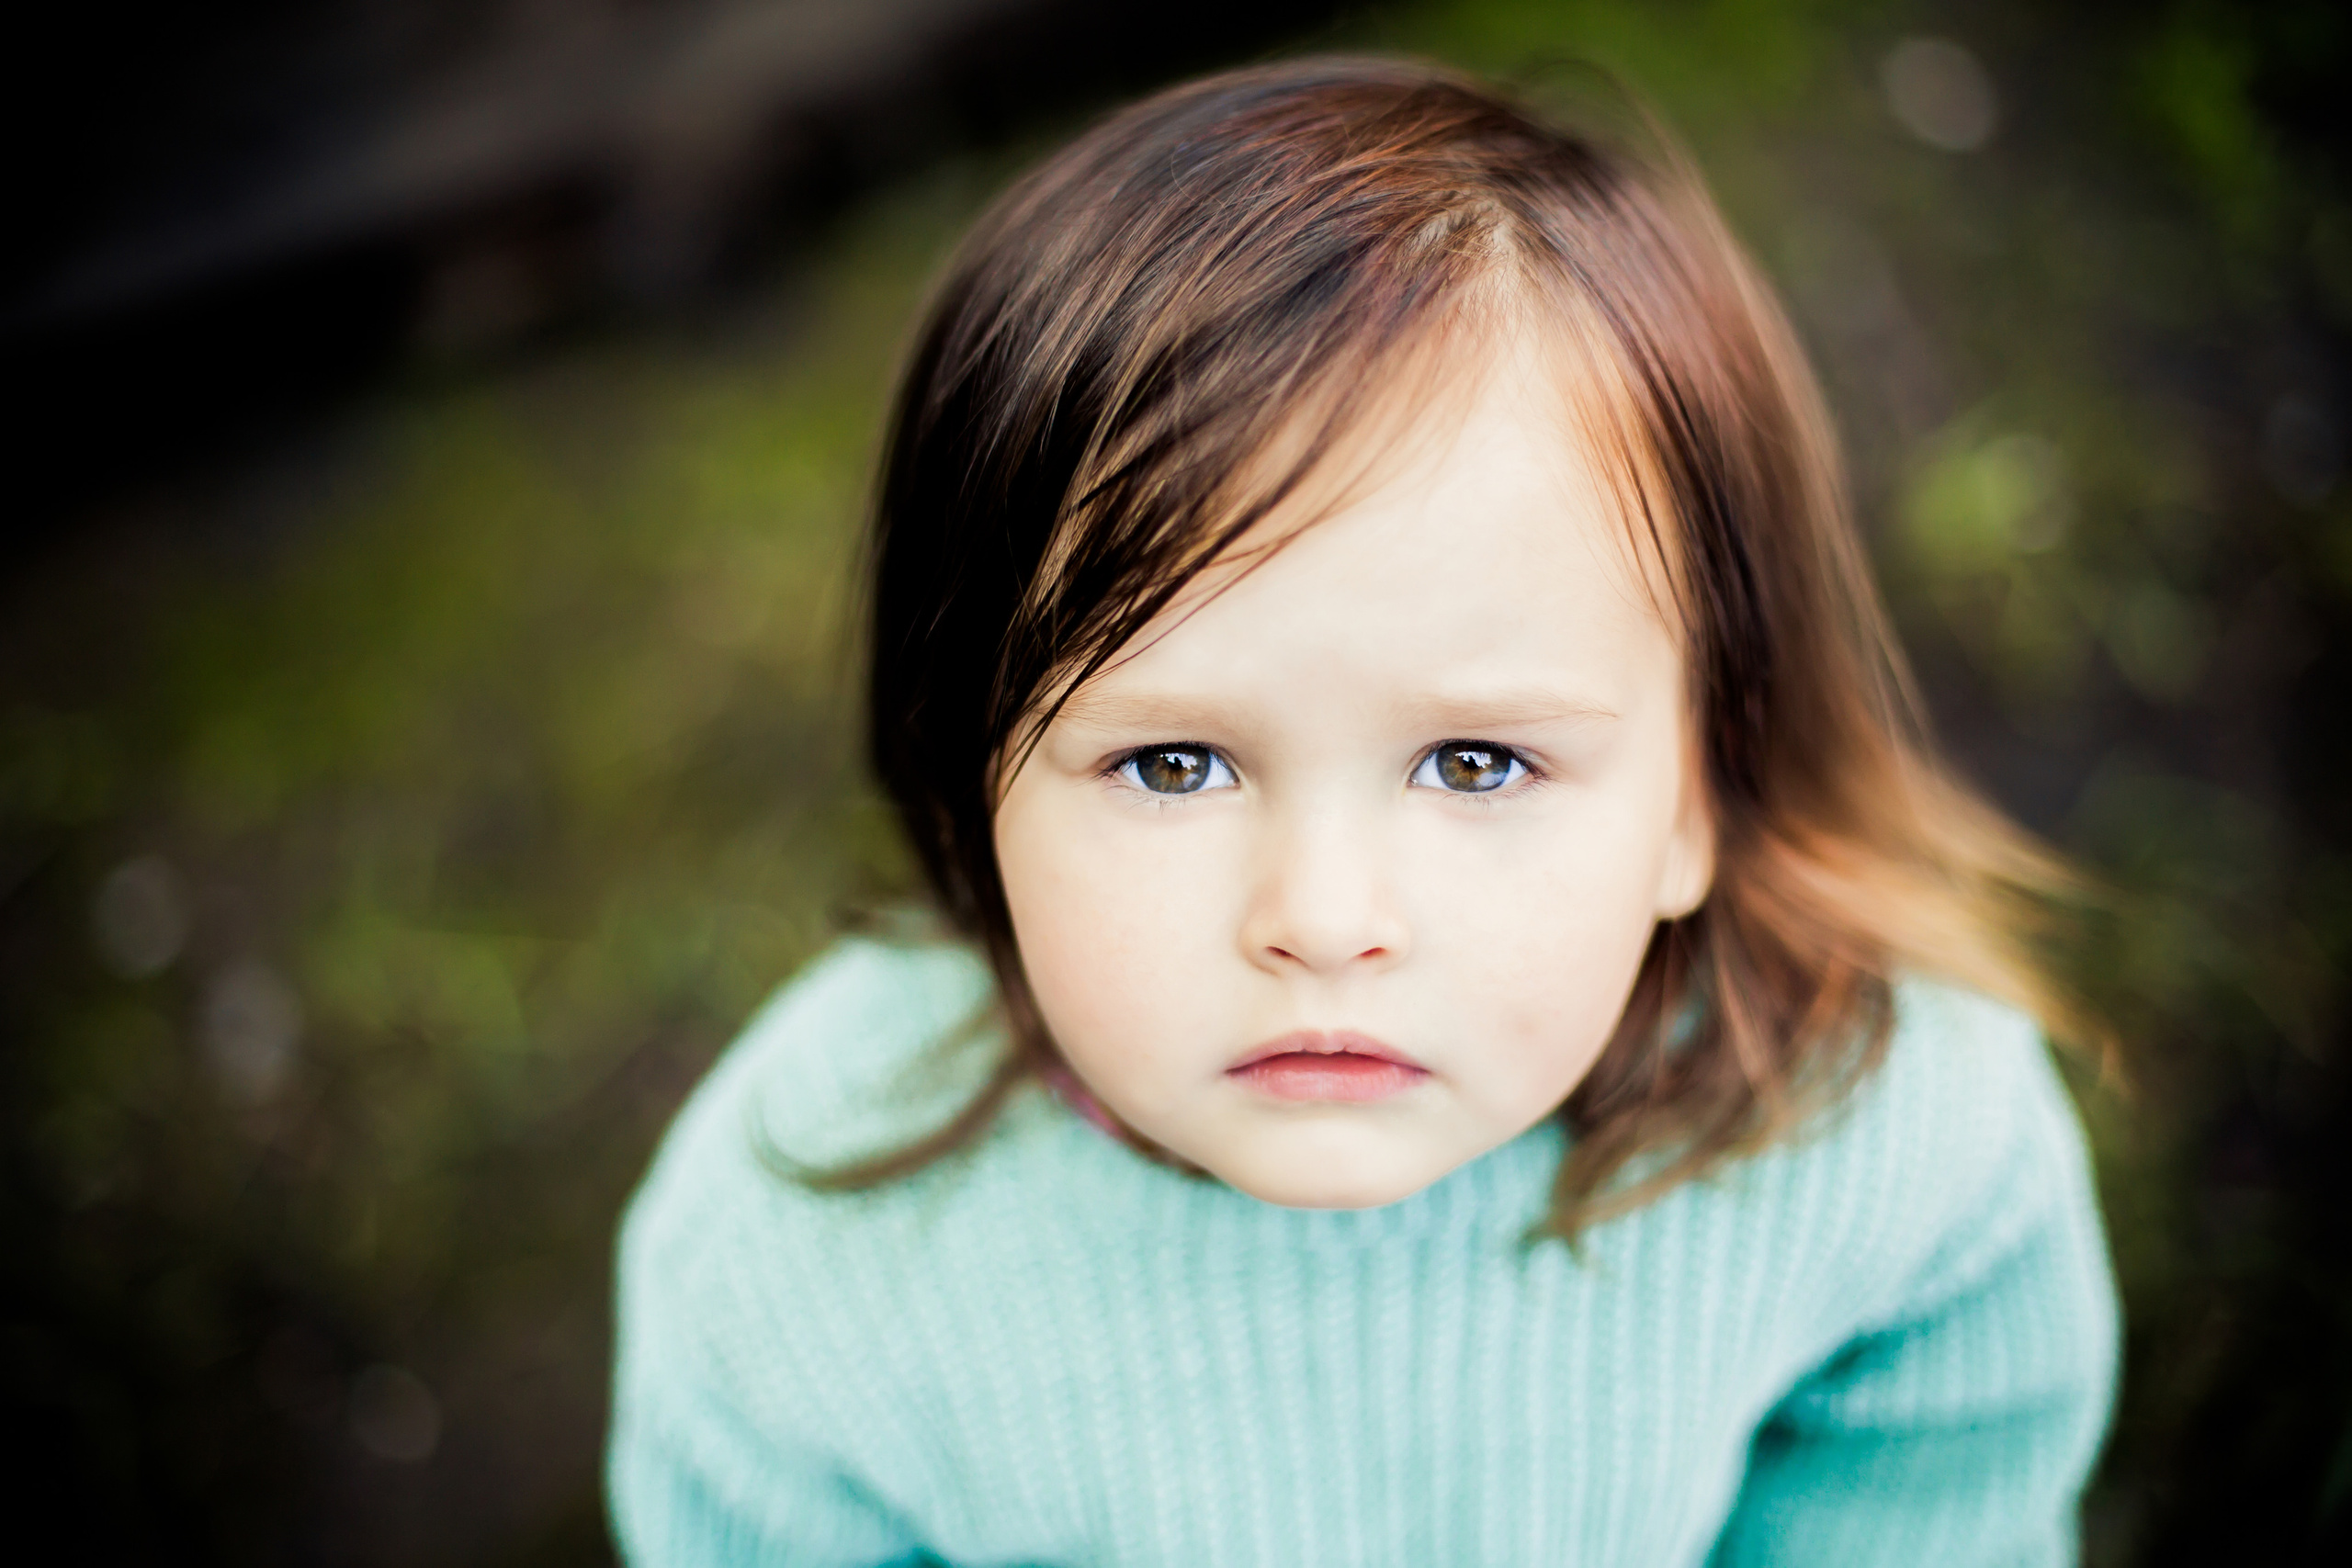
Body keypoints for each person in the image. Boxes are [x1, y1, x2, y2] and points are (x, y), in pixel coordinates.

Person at [605, 55, 2119, 1566]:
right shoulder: (801, 1248)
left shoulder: (1894, 1141)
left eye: (1475, 764)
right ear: (966, 772)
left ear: (1699, 789)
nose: (1324, 921)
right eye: (1173, 765)